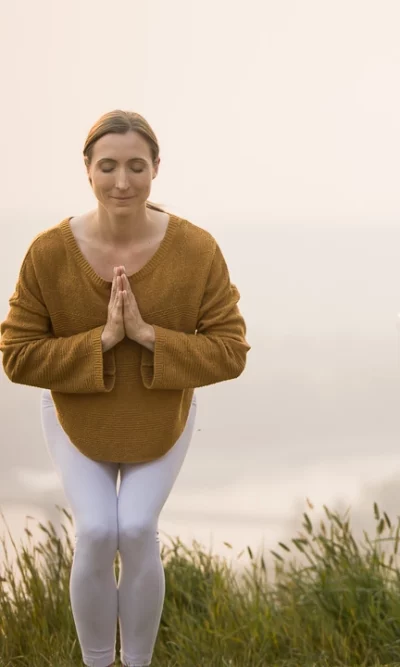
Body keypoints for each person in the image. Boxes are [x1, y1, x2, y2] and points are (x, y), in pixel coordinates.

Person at [0, 110, 250, 667]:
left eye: (136, 166)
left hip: (163, 413)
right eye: (108, 166)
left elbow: (231, 351)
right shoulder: (48, 252)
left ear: (156, 169)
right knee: (95, 530)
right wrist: (104, 340)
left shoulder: (196, 249)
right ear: (87, 170)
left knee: (135, 527)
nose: (122, 181)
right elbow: (15, 356)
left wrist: (146, 335)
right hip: (74, 412)